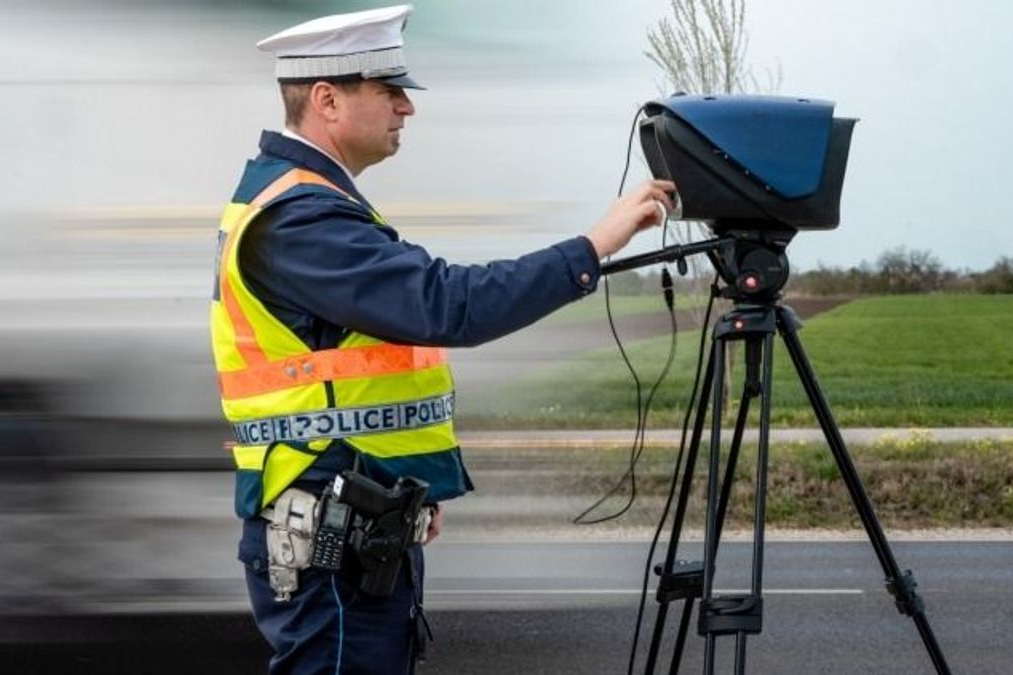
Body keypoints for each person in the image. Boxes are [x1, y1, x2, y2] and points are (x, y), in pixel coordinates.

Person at [209, 5, 675, 674]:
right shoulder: (301, 218)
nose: (407, 107)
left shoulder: (305, 200)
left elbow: (350, 378)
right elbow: (448, 304)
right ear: (327, 99)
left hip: (353, 528)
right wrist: (594, 246)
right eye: (389, 89)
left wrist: (407, 481)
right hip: (330, 548)